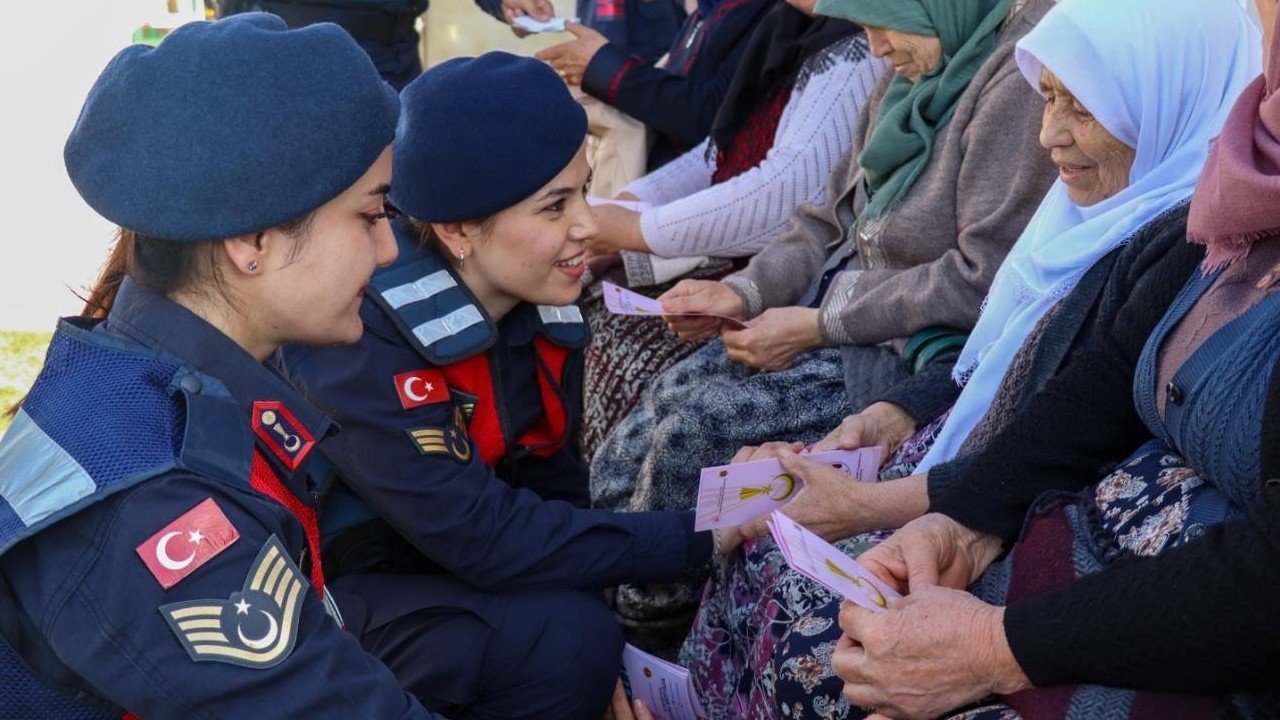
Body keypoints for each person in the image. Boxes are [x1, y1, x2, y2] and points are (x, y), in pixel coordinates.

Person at [681, 0, 1261, 715]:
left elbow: (981, 294)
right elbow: (1048, 373)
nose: (1047, 133)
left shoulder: (1182, 229)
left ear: (1163, 92)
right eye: (1047, 100)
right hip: (985, 465)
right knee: (758, 527)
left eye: (1078, 107)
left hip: (1112, 588)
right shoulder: (1184, 220)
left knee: (811, 614)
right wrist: (903, 426)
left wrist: (826, 338)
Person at [0, 13, 461, 719]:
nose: (390, 250)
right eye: (371, 216)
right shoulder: (157, 509)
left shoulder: (144, 377)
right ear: (253, 243)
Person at [589, 0, 1058, 655]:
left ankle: (636, 644)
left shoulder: (1015, 81)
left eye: (880, 21)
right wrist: (743, 289)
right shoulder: (917, 65)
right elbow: (819, 220)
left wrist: (820, 324)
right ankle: (596, 606)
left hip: (911, 356)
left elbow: (978, 280)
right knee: (655, 411)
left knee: (686, 437)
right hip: (840, 320)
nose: (874, 48)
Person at [276, 52, 731, 717]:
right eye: (554, 207)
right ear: (459, 228)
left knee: (583, 631)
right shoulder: (361, 334)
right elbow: (484, 538)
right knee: (567, 645)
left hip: (433, 572)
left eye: (584, 189)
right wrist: (712, 533)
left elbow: (552, 485)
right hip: (327, 599)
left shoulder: (538, 307)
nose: (588, 225)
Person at [577, 0, 884, 458]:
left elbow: (787, 196)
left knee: (638, 364)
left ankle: (629, 525)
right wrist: (623, 210)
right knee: (590, 304)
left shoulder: (865, 43)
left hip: (805, 286)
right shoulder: (782, 26)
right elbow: (716, 153)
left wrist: (638, 230)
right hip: (763, 267)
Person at [536, 0, 776, 171]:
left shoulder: (766, 13)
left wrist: (605, 69)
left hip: (692, 196)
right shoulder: (709, 10)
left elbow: (712, 115)